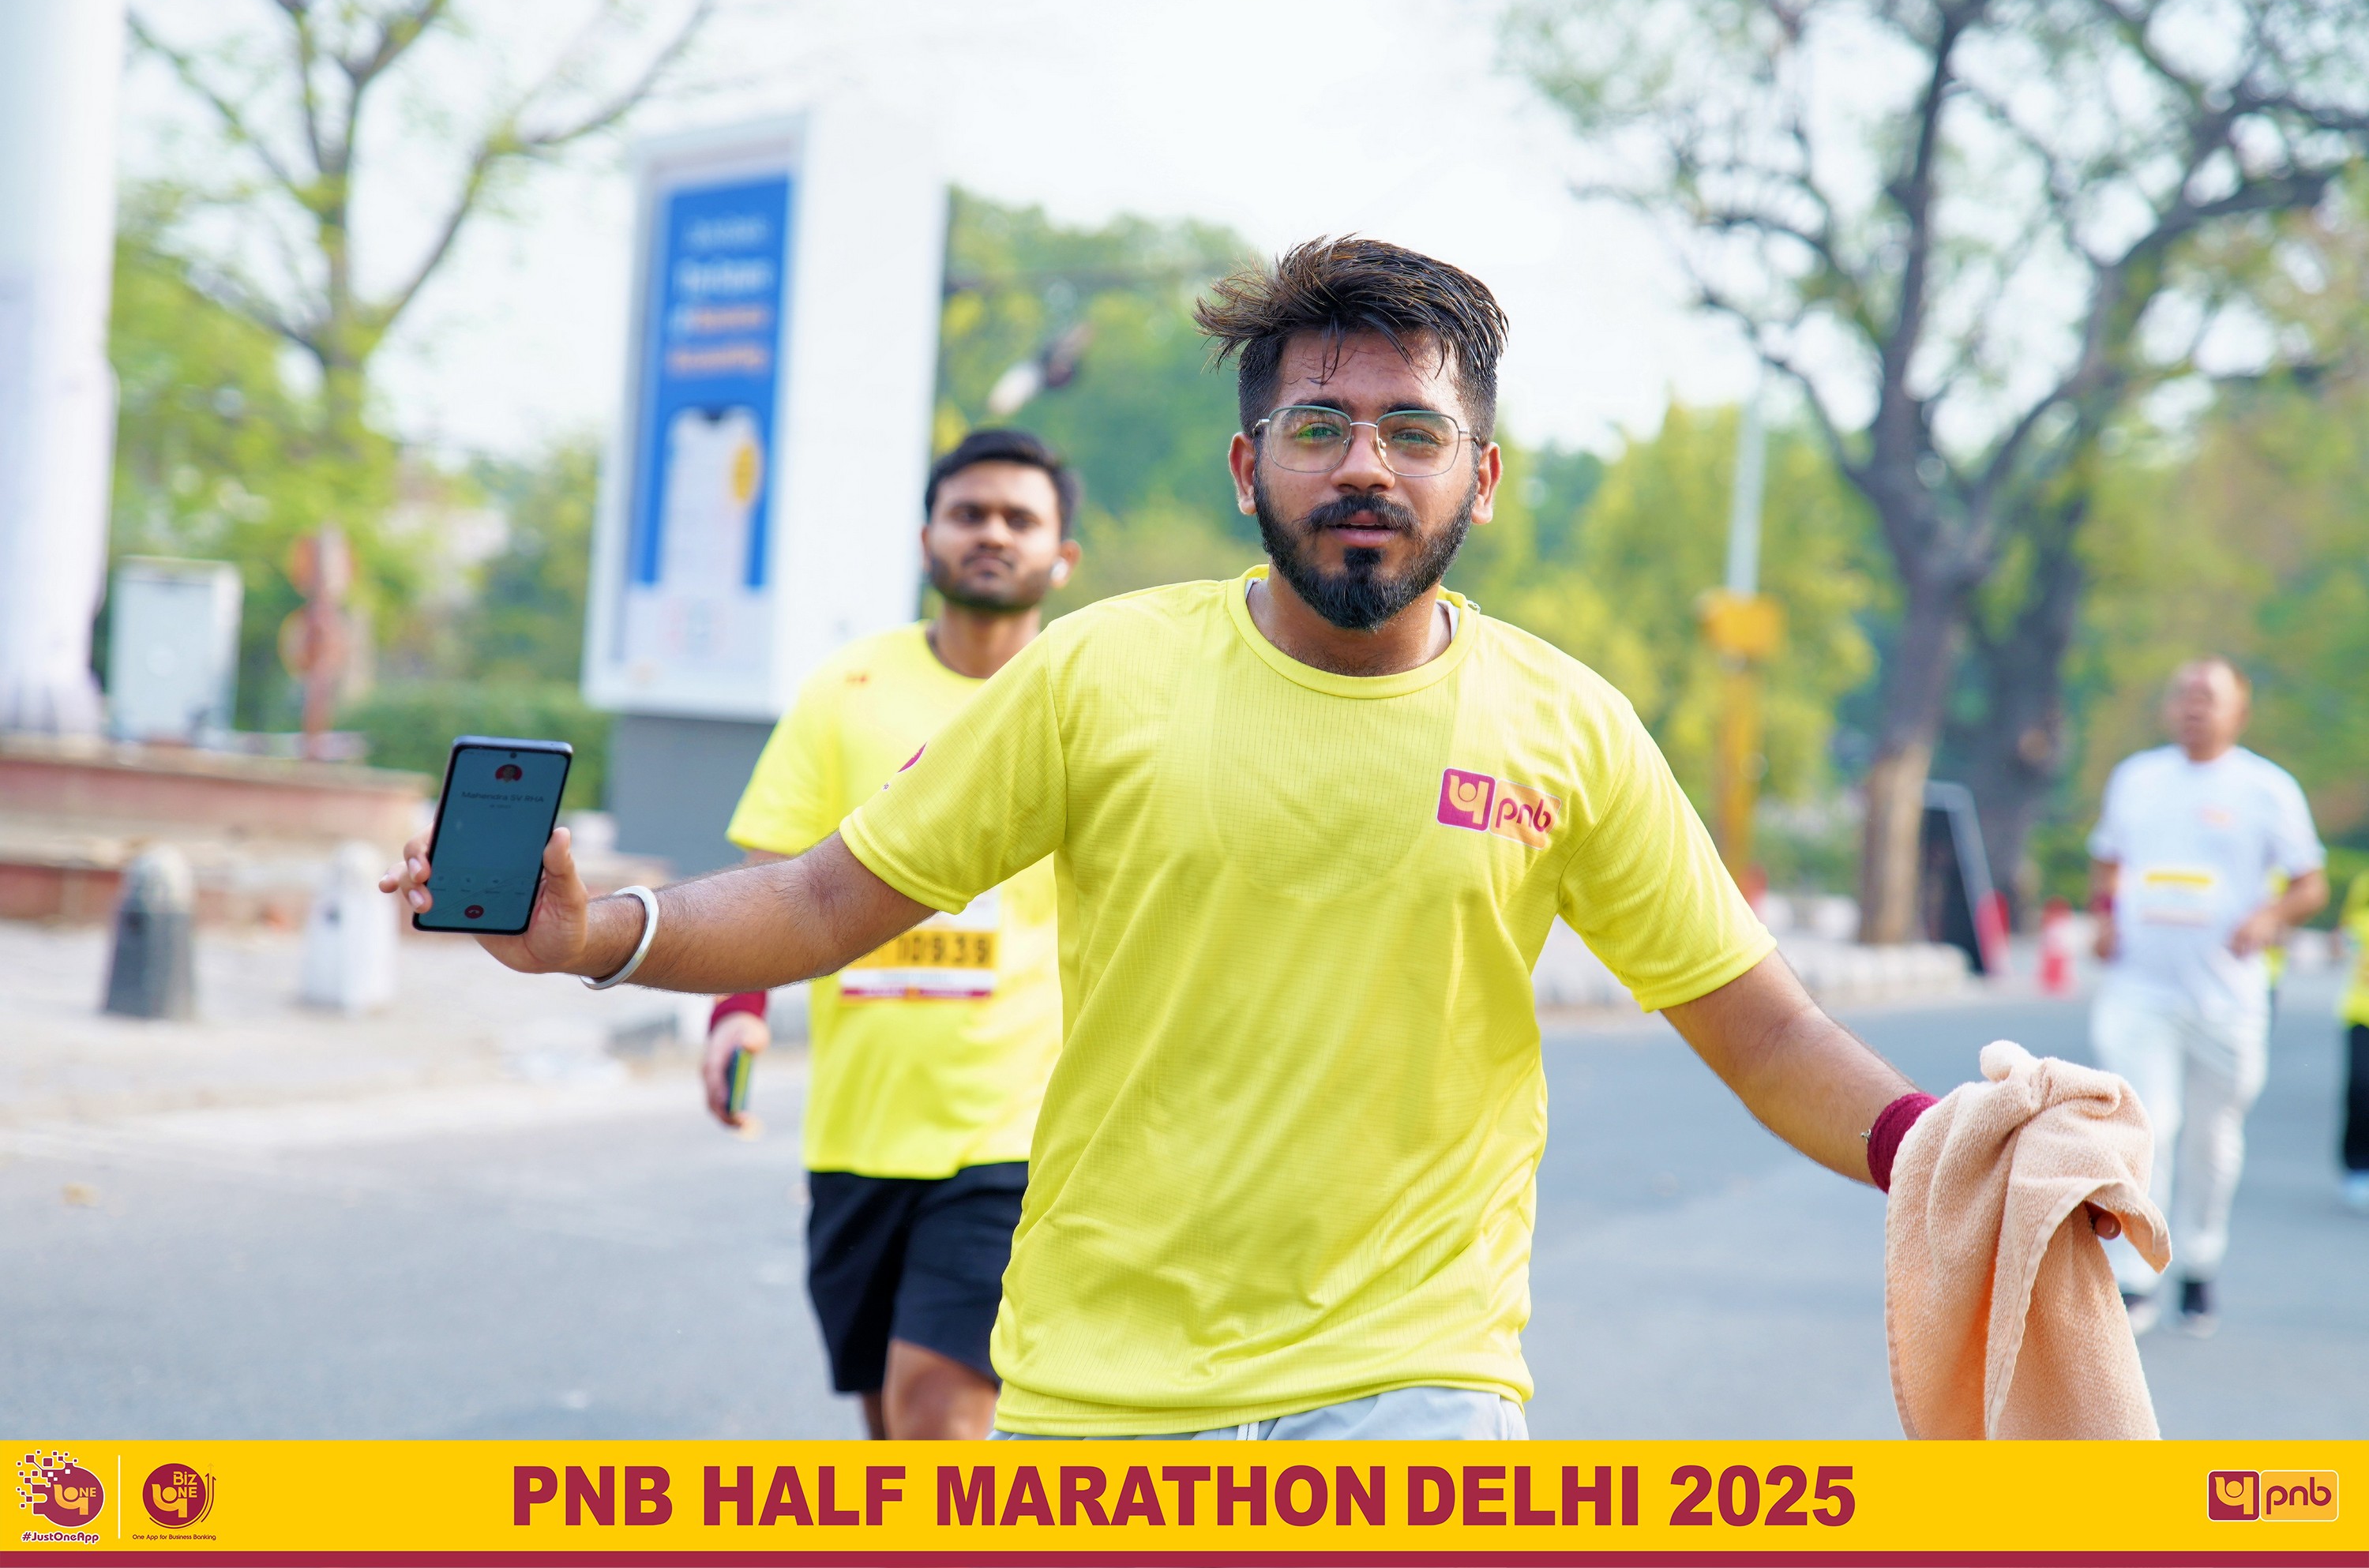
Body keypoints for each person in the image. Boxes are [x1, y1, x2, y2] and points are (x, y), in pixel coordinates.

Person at [384, 237, 2118, 1439]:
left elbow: (1760, 1030)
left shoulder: (1567, 726)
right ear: (1247, 465)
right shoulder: (1099, 675)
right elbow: (835, 894)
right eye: (1321, 427)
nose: (1367, 465)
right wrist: (595, 931)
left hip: (1417, 1382)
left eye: (1414, 431)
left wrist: (1945, 1146)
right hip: (1096, 1394)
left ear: (1481, 478)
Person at [703, 427, 1081, 1439]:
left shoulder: (1084, 696)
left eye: (1019, 518)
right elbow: (774, 871)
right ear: (927, 539)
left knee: (939, 1411)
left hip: (1016, 1132)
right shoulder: (848, 688)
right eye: (969, 514)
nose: (992, 533)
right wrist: (738, 1007)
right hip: (859, 1133)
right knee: (889, 1426)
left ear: (1061, 556)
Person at [2088, 658, 2329, 1336]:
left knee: (2212, 1140)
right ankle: (2137, 1275)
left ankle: (2199, 1259)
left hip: (2226, 998)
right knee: (2147, 1127)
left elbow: (2309, 884)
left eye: (2208, 696)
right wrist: (2104, 917)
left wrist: (2268, 919)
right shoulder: (2137, 779)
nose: (2194, 705)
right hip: (2141, 989)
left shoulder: (2266, 789)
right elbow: (2108, 862)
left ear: (2238, 712)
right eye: (2183, 694)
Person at [2338, 868, 2369, 1214]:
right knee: (2361, 1089)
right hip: (2361, 1010)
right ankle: (2357, 1167)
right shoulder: (2365, 882)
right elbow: (2346, 934)